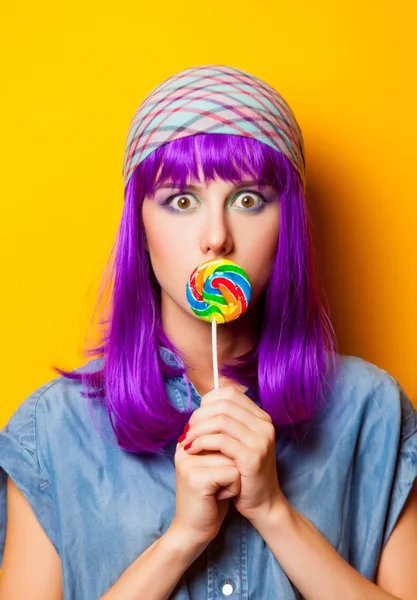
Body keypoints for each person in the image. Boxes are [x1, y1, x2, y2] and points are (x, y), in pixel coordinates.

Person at [0, 64, 416, 600]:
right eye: (181, 200)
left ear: (287, 222)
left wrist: (272, 511)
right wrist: (182, 539)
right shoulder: (53, 432)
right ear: (140, 226)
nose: (216, 237)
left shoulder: (374, 413)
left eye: (248, 200)